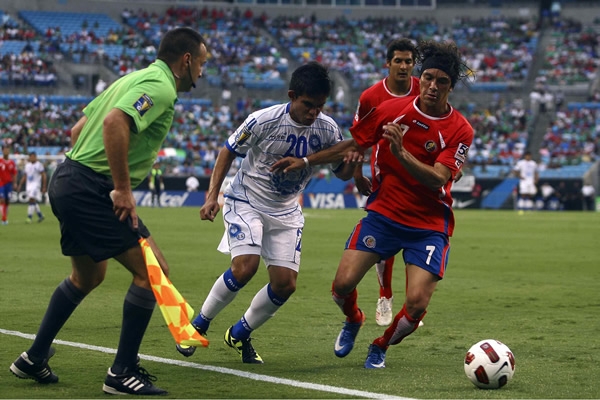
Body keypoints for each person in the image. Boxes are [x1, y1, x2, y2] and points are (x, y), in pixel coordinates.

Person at [9, 27, 208, 395]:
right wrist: (121, 188)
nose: (202, 71)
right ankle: (121, 371)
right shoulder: (160, 87)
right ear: (186, 60)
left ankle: (34, 357)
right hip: (91, 188)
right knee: (153, 272)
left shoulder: (130, 78)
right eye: (202, 62)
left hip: (69, 178)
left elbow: (76, 130)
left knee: (87, 277)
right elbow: (114, 123)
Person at [272, 40, 473, 369]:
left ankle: (380, 345)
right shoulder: (393, 111)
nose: (432, 86)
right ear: (420, 77)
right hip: (384, 214)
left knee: (417, 304)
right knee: (340, 287)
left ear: (451, 86)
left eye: (442, 82)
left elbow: (438, 178)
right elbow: (353, 144)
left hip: (428, 226)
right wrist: (305, 160)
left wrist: (400, 153)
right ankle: (354, 319)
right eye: (428, 78)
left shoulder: (461, 129)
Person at [175, 61, 356, 363]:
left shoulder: (327, 128)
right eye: (308, 105)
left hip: (286, 211)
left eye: (320, 107)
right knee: (245, 267)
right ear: (291, 95)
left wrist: (351, 161)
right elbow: (227, 150)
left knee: (285, 285)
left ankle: (240, 333)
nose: (313, 113)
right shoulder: (263, 120)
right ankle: (198, 324)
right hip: (247, 200)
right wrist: (211, 197)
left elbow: (342, 172)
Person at [352, 38, 420, 327]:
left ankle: (412, 304)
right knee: (387, 233)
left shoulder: (424, 87)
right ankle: (385, 295)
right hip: (384, 172)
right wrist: (357, 175)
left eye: (408, 61)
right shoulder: (371, 96)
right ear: (388, 63)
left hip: (417, 170)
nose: (404, 66)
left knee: (417, 232)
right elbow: (359, 138)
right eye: (399, 61)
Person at [16, 152, 47, 223]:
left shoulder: (39, 165)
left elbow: (44, 175)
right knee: (33, 201)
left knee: (31, 199)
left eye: (33, 157)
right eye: (31, 157)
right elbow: (25, 176)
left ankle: (29, 217)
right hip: (28, 186)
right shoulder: (27, 165)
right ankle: (40, 215)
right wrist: (20, 185)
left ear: (36, 157)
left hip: (36, 185)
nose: (32, 158)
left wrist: (44, 186)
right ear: (29, 157)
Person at [0, 145, 18, 225]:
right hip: (1, 183)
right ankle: (3, 218)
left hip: (9, 184)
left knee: (7, 201)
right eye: (5, 150)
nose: (6, 151)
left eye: (7, 150)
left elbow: (14, 173)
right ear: (2, 151)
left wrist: (15, 183)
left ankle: (5, 217)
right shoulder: (0, 161)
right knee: (2, 199)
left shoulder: (12, 162)